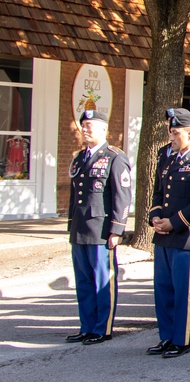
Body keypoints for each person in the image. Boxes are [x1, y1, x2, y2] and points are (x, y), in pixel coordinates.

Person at [147, 109, 190, 358]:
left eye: (175, 133)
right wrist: (155, 216)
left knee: (183, 292)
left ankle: (181, 339)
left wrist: (173, 223)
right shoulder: (170, 158)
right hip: (165, 235)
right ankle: (166, 336)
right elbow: (158, 191)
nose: (171, 136)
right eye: (171, 131)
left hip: (186, 235)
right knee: (163, 288)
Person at [66, 110, 131, 345]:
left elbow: (121, 196)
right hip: (80, 229)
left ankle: (102, 328)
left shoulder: (114, 157)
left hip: (101, 229)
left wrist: (117, 229)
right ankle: (86, 326)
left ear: (103, 129)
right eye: (83, 125)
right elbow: (75, 195)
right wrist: (71, 225)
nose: (85, 129)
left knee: (102, 280)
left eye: (90, 125)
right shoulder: (79, 158)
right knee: (83, 281)